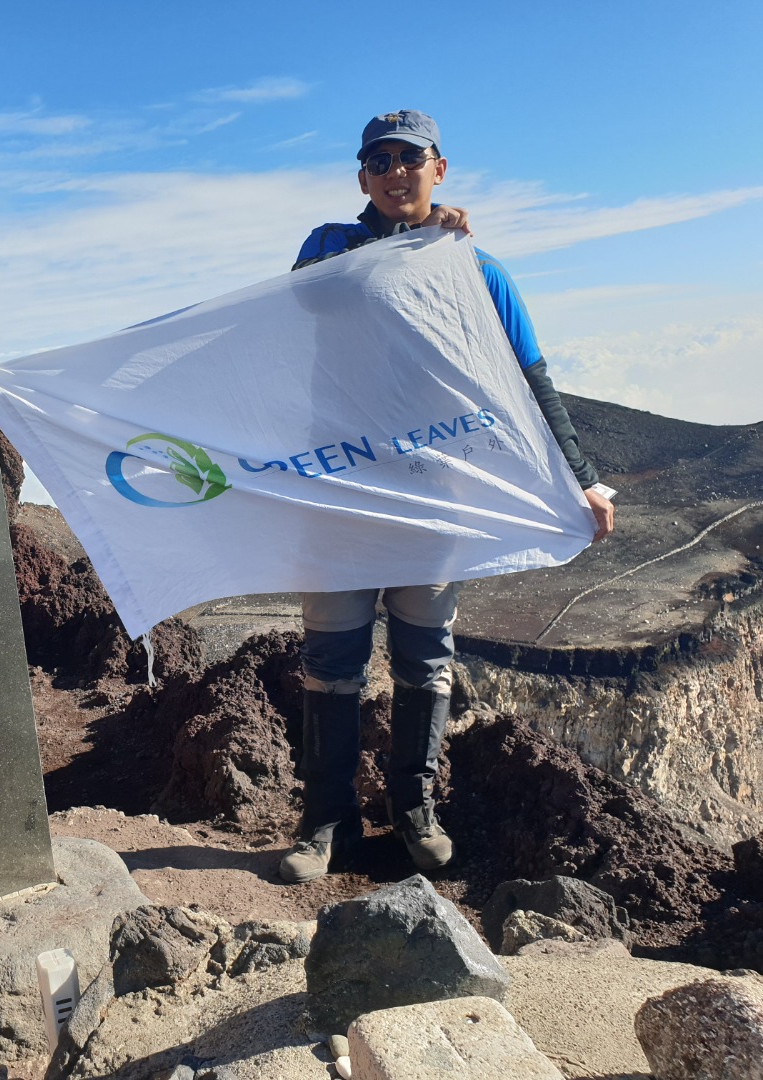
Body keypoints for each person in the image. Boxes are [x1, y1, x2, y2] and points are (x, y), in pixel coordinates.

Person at [277, 110, 615, 885]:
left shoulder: (482, 271)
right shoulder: (328, 248)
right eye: (381, 161)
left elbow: (532, 383)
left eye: (412, 158)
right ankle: (325, 819)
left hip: (435, 497)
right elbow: (295, 312)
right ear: (364, 177)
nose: (398, 171)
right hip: (342, 493)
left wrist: (583, 477)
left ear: (441, 168)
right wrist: (414, 249)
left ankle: (413, 809)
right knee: (332, 658)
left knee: (426, 657)